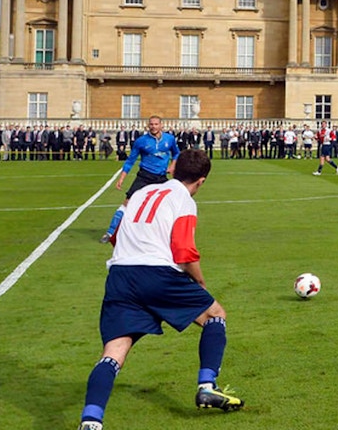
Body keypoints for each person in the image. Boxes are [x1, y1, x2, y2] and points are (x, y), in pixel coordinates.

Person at [78, 149, 242, 430]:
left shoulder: (142, 192)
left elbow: (116, 234)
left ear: (173, 168)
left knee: (113, 352)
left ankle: (91, 422)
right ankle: (206, 385)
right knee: (215, 314)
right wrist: (200, 283)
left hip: (120, 274)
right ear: (201, 181)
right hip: (156, 273)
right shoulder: (184, 201)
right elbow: (183, 251)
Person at [101, 116, 180, 243]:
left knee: (172, 202)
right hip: (144, 176)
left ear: (161, 125)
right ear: (148, 126)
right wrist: (122, 178)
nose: (153, 126)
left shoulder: (169, 139)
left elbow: (176, 153)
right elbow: (130, 160)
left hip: (161, 177)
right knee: (127, 202)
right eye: (151, 124)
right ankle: (110, 233)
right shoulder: (141, 141)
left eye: (156, 124)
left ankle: (173, 234)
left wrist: (172, 165)